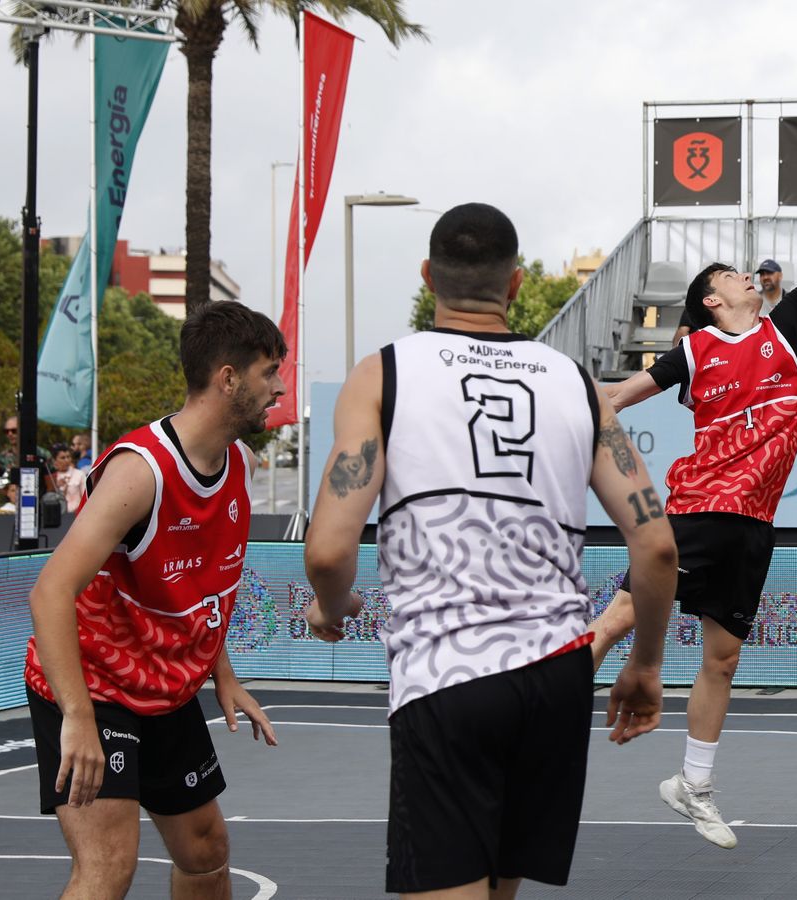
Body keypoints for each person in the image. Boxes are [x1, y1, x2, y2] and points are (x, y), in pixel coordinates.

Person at [302, 202, 678, 899]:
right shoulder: (574, 385)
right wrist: (646, 664)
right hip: (555, 682)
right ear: (513, 287)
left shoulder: (382, 374)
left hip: (448, 676)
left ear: (427, 278)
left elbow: (328, 551)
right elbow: (656, 546)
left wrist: (336, 606)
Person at [586, 145, 797, 849]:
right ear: (711, 301)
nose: (746, 276)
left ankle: (692, 786)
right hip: (698, 510)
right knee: (618, 619)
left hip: (754, 524)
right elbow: (612, 401)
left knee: (722, 660)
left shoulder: (781, 330)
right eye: (729, 274)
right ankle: (536, 731)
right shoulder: (691, 352)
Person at [21, 301, 285, 898]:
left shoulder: (235, 463)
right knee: (109, 865)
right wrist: (80, 721)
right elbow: (50, 592)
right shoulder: (143, 473)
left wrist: (223, 672)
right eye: (269, 372)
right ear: (228, 378)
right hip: (94, 686)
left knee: (206, 850)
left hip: (163, 688)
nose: (280, 387)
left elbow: (200, 589)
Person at [51, 443, 89, 514]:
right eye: (63, 458)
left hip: (75, 515)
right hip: (56, 516)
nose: (66, 460)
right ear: (55, 460)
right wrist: (56, 486)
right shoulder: (51, 477)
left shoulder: (79, 474)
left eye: (68, 457)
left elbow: (86, 497)